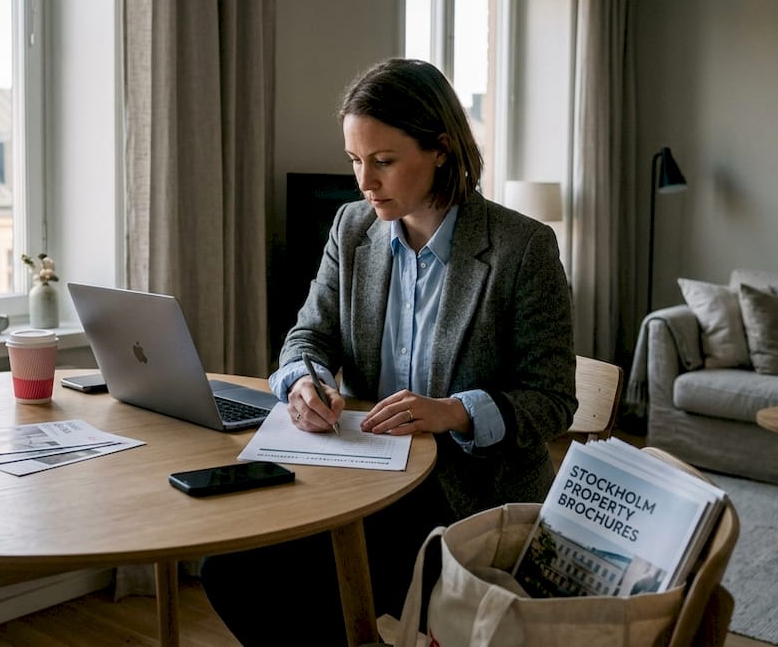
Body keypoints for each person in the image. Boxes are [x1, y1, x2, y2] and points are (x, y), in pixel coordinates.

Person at [200, 58, 576, 645]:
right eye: (355, 160)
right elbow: (307, 337)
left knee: (302, 585)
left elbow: (553, 399)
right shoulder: (352, 229)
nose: (364, 182)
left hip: (465, 500)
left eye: (383, 161)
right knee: (229, 572)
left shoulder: (522, 248)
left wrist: (454, 411)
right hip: (363, 479)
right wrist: (303, 380)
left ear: (441, 150)